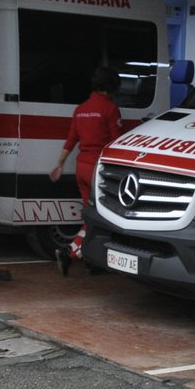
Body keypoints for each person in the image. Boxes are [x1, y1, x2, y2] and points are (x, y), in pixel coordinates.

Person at [47, 66, 123, 275]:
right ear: (112, 87)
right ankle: (70, 254)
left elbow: (71, 140)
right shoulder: (110, 109)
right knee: (100, 218)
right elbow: (115, 142)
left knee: (90, 216)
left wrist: (60, 164)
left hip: (81, 167)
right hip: (98, 170)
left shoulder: (81, 109)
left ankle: (92, 261)